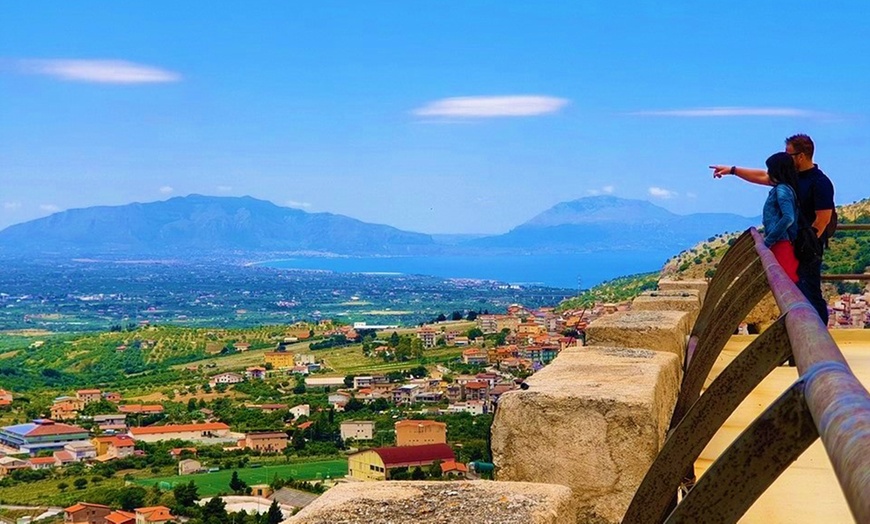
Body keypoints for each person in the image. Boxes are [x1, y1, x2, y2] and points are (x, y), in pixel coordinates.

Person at [710, 134, 834, 324]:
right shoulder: (789, 177)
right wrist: (732, 170)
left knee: (809, 291)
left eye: (789, 154)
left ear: (801, 156)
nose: (786, 157)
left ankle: (818, 337)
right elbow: (762, 175)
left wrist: (803, 245)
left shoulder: (820, 182)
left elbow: (823, 219)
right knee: (795, 289)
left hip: (807, 248)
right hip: (792, 243)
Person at [762, 152, 799, 283]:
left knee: (785, 283)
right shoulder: (785, 188)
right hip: (780, 243)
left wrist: (768, 241)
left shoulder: (782, 189)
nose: (767, 172)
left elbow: (788, 217)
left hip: (781, 244)